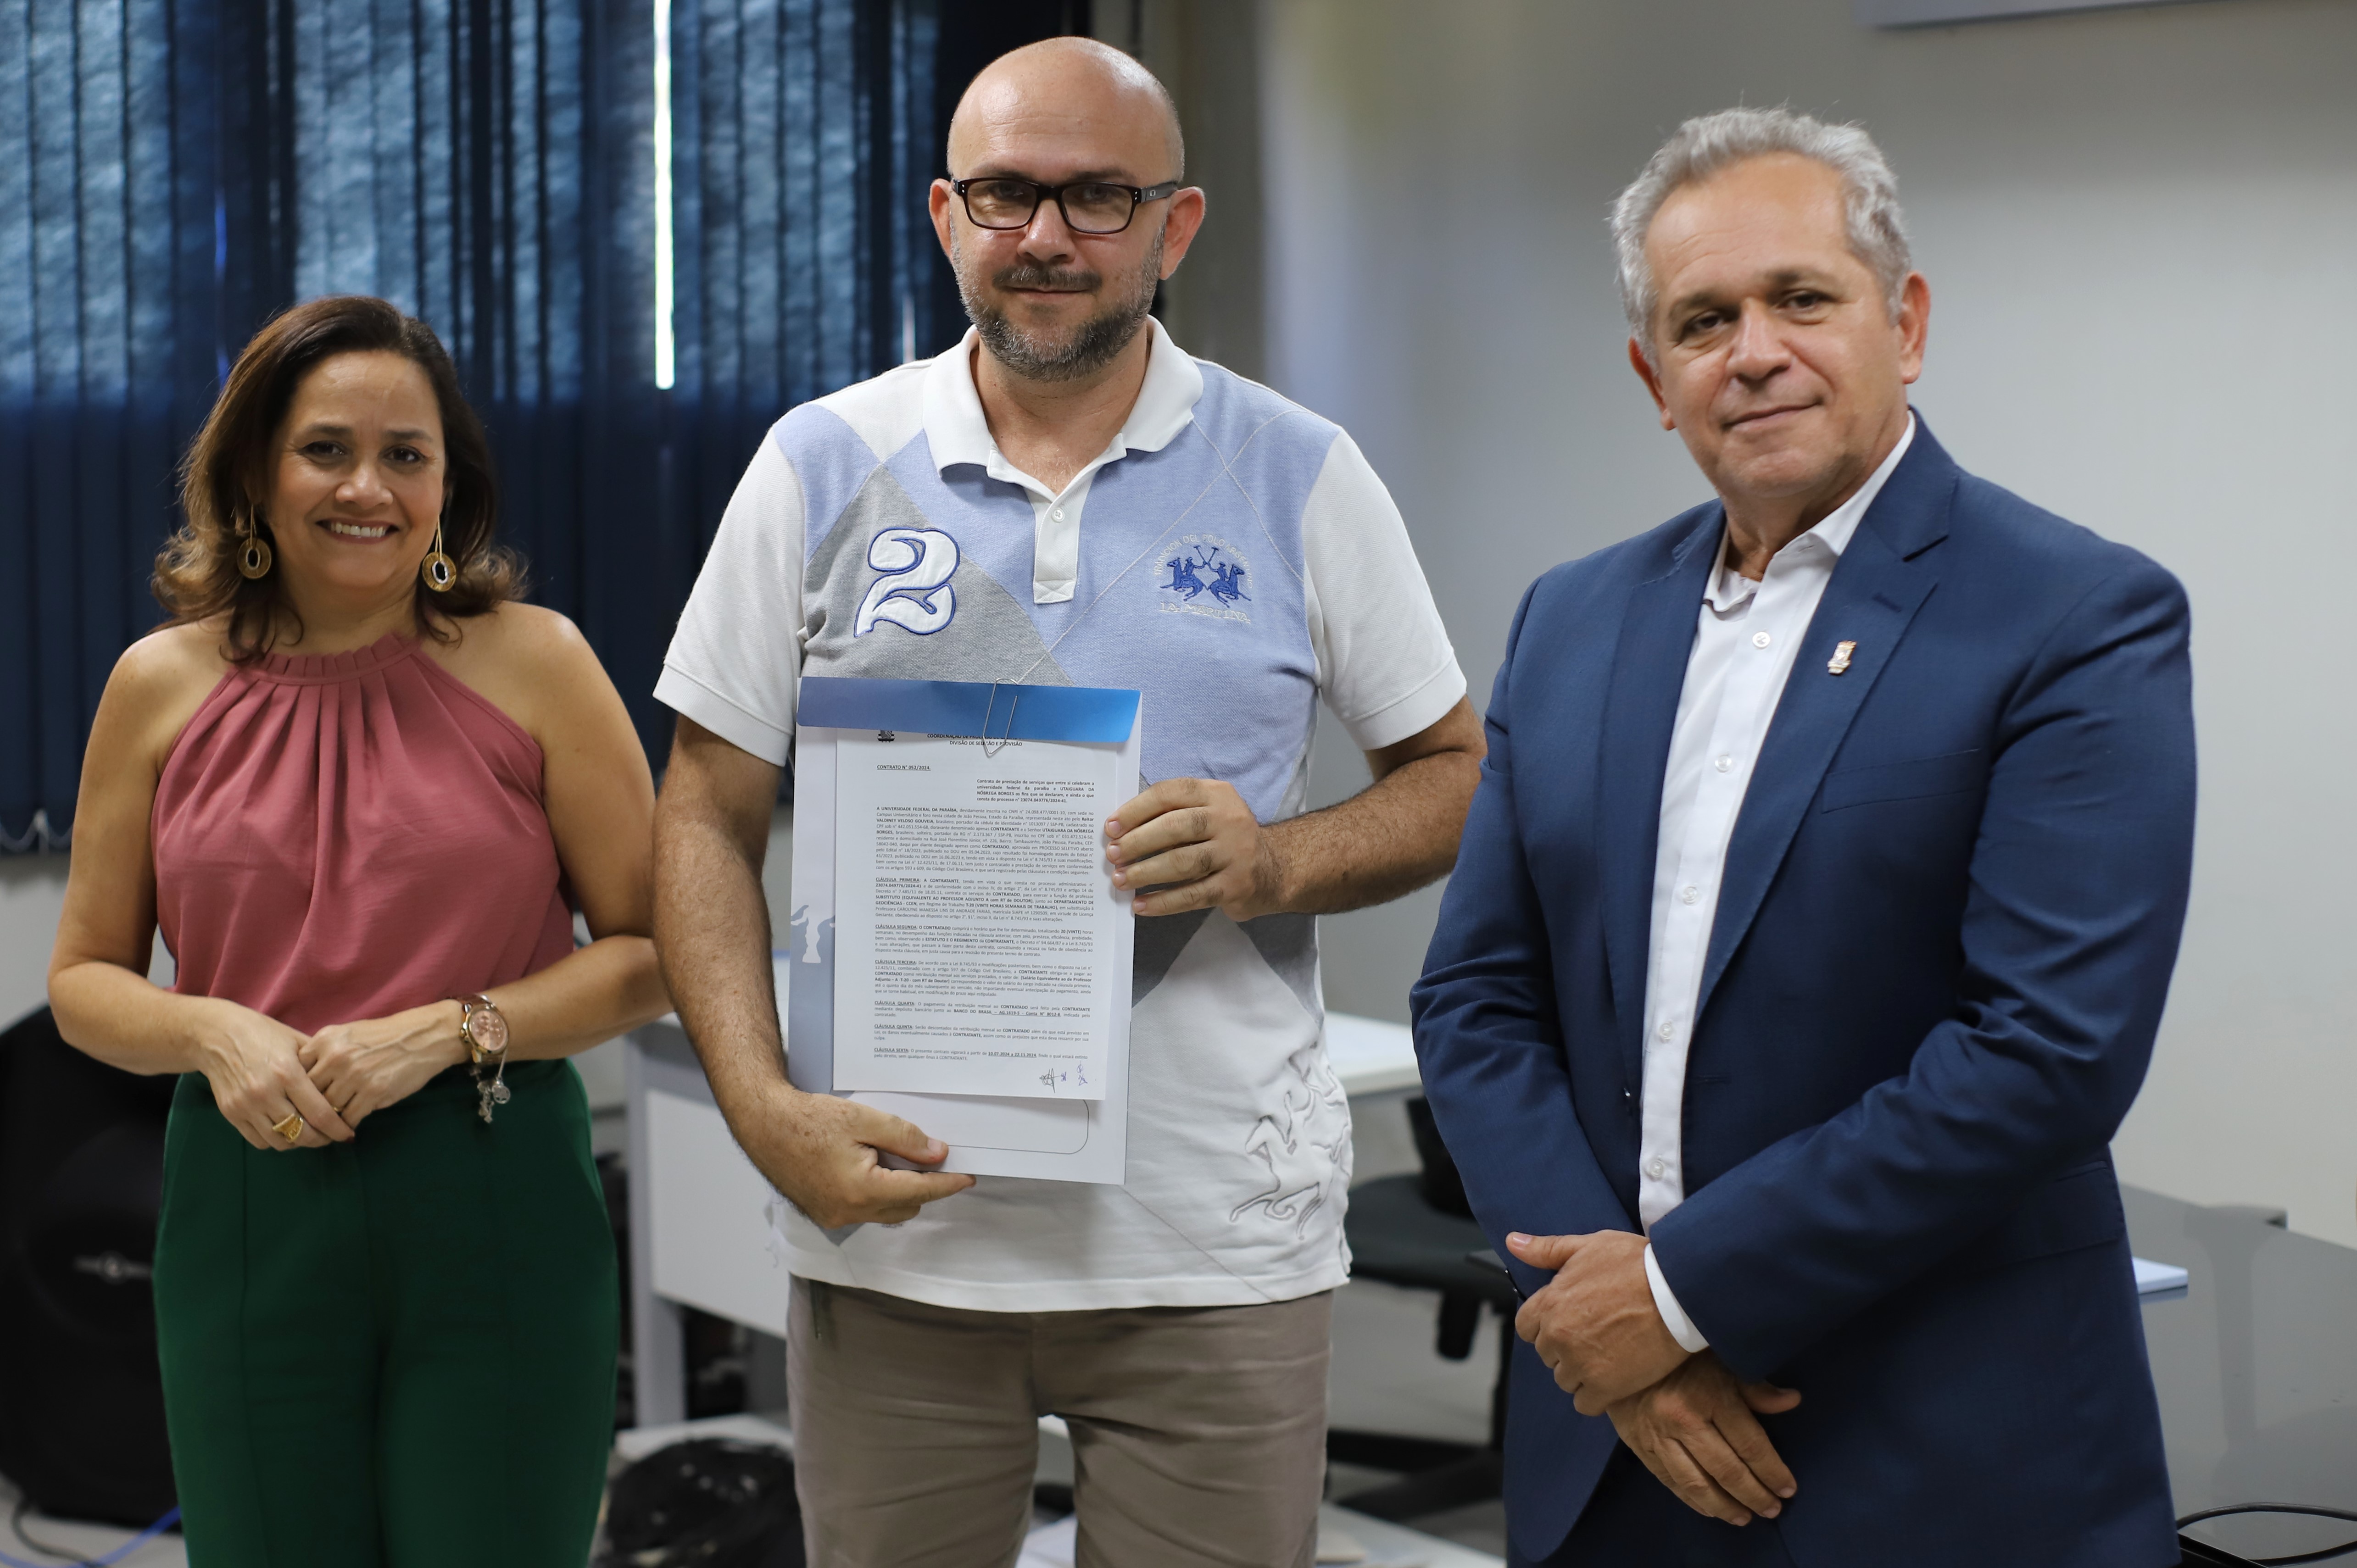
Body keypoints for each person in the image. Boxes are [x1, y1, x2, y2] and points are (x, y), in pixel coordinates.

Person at [652, 36, 1482, 1568]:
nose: (1044, 236)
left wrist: (1272, 859)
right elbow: (703, 809)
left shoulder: (1297, 471)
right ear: (944, 215)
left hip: (1210, 1242)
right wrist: (762, 1111)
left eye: (1097, 197)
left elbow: (1450, 776)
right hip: (901, 1235)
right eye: (1004, 194)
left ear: (1175, 225)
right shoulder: (819, 464)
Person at [1411, 107, 2196, 1567]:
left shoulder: (2075, 615)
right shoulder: (1569, 618)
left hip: (1937, 1449)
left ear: (1904, 322)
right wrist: (1602, 1315)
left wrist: (1673, 1296)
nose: (1754, 351)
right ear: (1653, 379)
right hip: (1612, 1445)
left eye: (1800, 298)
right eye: (1702, 320)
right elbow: (1474, 997)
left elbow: (2045, 1048)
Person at [47, 295, 670, 1567]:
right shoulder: (156, 685)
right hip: (249, 1195)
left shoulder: (539, 662)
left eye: (406, 455)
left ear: (449, 483)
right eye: (325, 449)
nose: (367, 488)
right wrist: (211, 1031)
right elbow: (83, 982)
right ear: (254, 472)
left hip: (493, 1184)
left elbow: (654, 953)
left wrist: (452, 1028)